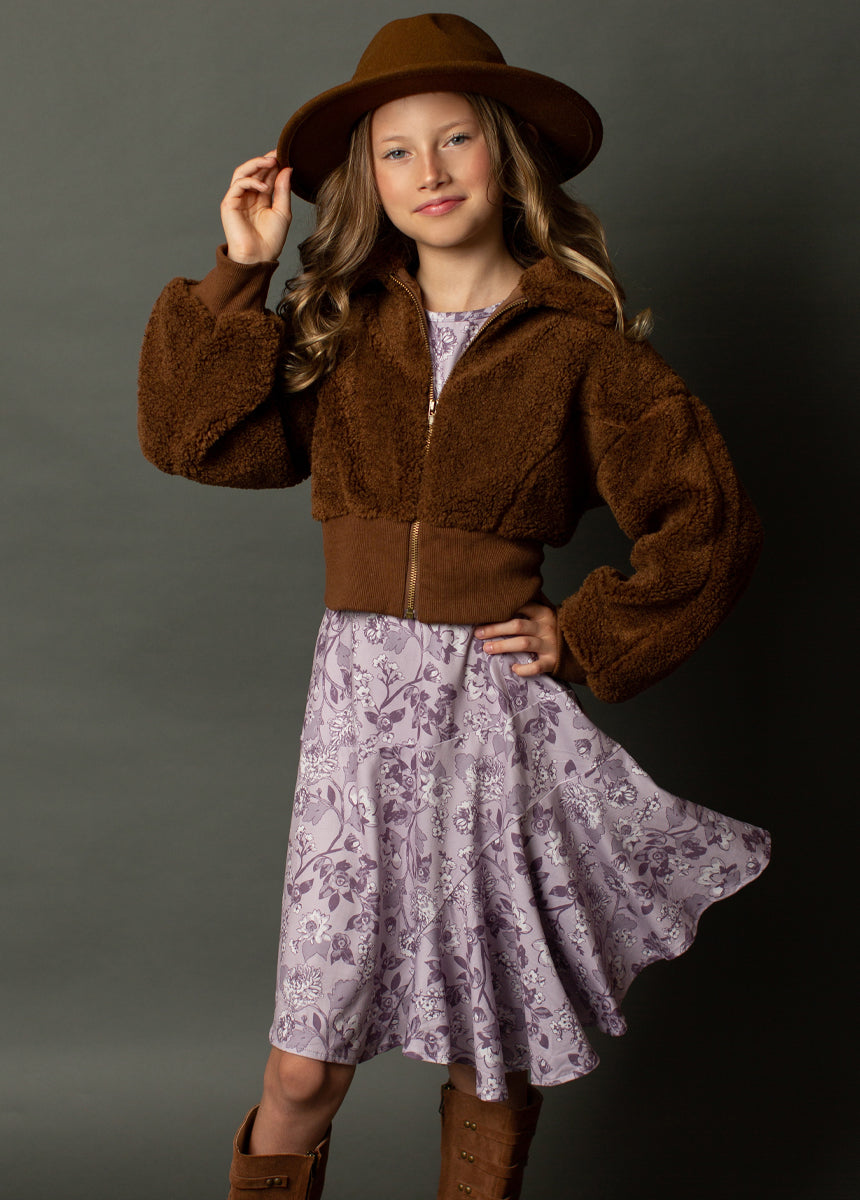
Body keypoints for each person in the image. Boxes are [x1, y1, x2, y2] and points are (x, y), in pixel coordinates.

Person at [138, 13, 771, 1200]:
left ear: (506, 155)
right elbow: (188, 438)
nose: (427, 170)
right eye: (395, 150)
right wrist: (239, 269)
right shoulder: (342, 329)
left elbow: (709, 521)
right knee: (302, 1068)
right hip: (353, 727)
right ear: (368, 181)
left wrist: (583, 634)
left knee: (491, 1048)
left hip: (490, 723)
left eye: (454, 139)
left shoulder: (580, 349)